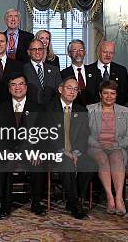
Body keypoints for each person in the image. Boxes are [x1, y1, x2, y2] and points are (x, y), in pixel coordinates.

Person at [0, 73, 45, 218]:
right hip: (8, 150)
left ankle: (36, 203)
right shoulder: (1, 108)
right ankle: (6, 205)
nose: (18, 88)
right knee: (3, 164)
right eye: (14, 84)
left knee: (39, 165)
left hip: (30, 151)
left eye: (21, 84)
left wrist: (37, 151)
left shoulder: (37, 108)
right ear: (9, 88)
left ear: (26, 87)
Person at [46, 76, 91, 219]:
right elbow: (46, 135)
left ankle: (75, 197)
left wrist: (76, 152)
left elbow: (84, 136)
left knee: (91, 163)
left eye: (75, 89)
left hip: (75, 152)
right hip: (55, 151)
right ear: (60, 89)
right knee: (66, 162)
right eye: (69, 88)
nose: (72, 92)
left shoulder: (82, 110)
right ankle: (74, 203)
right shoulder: (49, 109)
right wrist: (64, 151)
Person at [86, 80, 128, 216]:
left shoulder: (125, 111)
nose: (109, 96)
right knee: (102, 158)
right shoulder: (90, 109)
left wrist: (116, 145)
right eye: (106, 93)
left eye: (112, 93)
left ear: (116, 95)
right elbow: (84, 133)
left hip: (116, 146)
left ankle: (118, 197)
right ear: (100, 94)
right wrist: (97, 144)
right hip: (96, 146)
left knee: (117, 157)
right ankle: (109, 196)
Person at [87, 40, 128, 106]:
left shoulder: (121, 70)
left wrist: (112, 108)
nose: (108, 55)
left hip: (115, 111)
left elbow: (125, 94)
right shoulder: (87, 70)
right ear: (99, 52)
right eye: (105, 52)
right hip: (92, 111)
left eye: (111, 53)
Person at [60, 39, 101, 106]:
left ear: (84, 52)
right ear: (69, 53)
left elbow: (100, 92)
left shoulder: (95, 71)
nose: (78, 53)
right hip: (74, 112)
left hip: (94, 110)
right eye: (74, 50)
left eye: (81, 50)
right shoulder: (63, 74)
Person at [23, 39, 61, 104]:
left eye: (40, 49)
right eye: (34, 49)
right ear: (29, 52)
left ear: (43, 51)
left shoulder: (54, 70)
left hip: (51, 109)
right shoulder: (23, 69)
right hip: (31, 110)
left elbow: (59, 91)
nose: (37, 52)